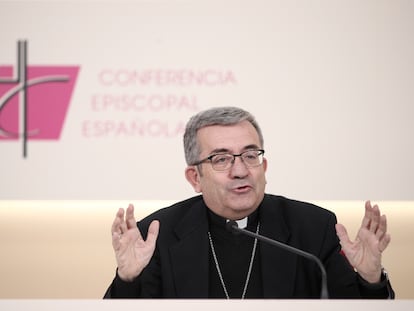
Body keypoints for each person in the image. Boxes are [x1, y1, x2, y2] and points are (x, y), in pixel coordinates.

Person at [104, 106, 394, 299]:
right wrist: (128, 280)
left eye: (250, 155)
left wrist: (370, 279)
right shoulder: (159, 234)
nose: (241, 170)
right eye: (221, 159)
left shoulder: (314, 228)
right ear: (195, 178)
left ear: (264, 167)